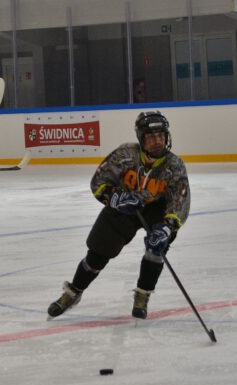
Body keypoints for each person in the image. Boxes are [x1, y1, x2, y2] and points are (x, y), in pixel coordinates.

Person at [47, 111, 190, 320]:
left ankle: (143, 295)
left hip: (156, 211)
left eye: (161, 135)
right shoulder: (125, 155)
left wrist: (167, 227)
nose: (157, 141)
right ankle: (73, 291)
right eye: (151, 137)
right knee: (98, 251)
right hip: (125, 208)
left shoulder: (174, 166)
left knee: (157, 247)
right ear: (141, 138)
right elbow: (98, 183)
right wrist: (117, 199)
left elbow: (179, 202)